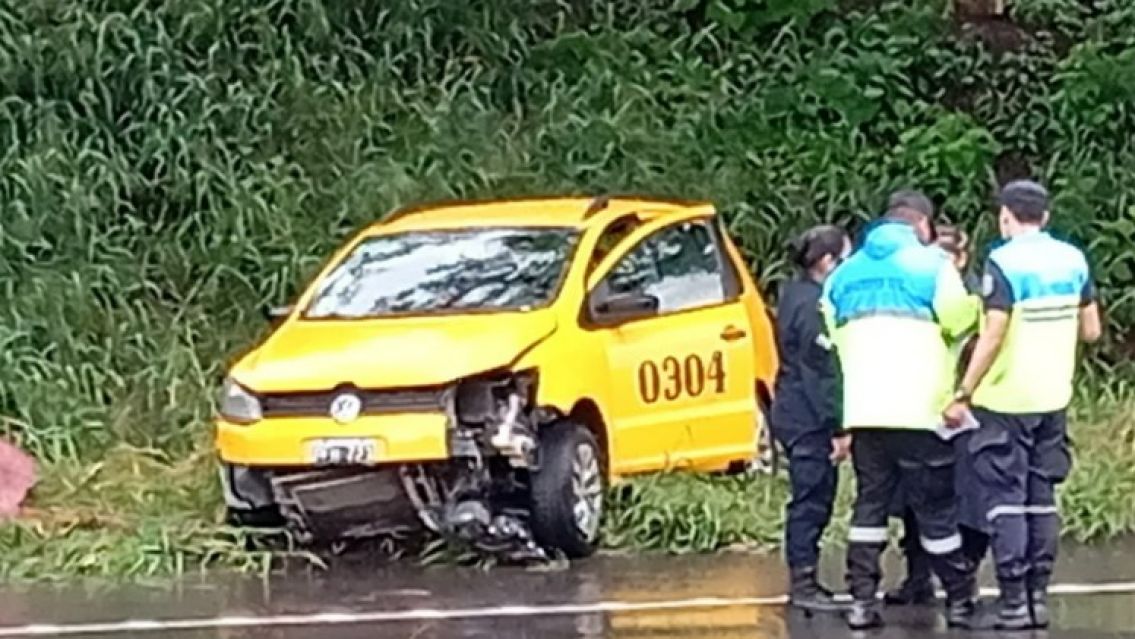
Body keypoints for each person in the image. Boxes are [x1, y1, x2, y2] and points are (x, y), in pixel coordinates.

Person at [943, 180, 1101, 630]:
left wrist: (965, 390)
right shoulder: (1073, 260)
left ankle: (1012, 601)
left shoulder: (1003, 261)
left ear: (1006, 216)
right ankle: (1038, 597)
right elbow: (1091, 330)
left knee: (1006, 501)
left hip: (1005, 398)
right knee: (1041, 496)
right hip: (1053, 395)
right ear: (1046, 217)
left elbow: (993, 333)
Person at [821, 190, 980, 630]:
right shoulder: (934, 267)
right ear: (924, 227)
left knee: (869, 507)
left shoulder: (843, 274)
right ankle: (961, 599)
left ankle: (861, 603)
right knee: (936, 511)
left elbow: (833, 336)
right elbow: (960, 320)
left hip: (865, 411)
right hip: (920, 409)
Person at [885, 224, 990, 607]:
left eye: (949, 257)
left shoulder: (977, 301)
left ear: (962, 260)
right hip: (925, 410)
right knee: (917, 500)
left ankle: (965, 578)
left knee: (968, 501)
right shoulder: (920, 290)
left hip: (968, 413)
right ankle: (918, 578)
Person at [769, 224, 853, 612]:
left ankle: (806, 579)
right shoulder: (812, 307)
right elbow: (819, 372)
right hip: (807, 418)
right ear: (826, 261)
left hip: (794, 410)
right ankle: (803, 583)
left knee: (812, 498)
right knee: (811, 501)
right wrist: (837, 426)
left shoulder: (794, 295)